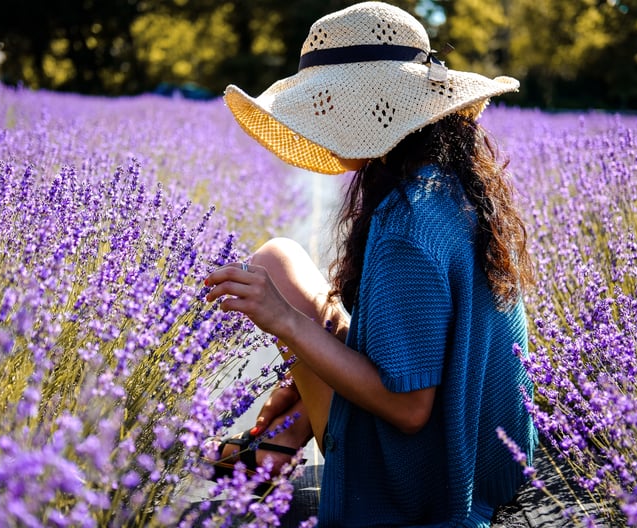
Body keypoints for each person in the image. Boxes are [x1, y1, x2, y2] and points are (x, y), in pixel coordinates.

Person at [203, 2, 538, 526]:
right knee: (279, 259)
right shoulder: (454, 185)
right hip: (485, 455)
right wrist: (300, 380)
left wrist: (284, 322)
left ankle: (273, 446)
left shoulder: (407, 224)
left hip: (423, 481)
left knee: (277, 285)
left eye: (326, 104)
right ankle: (283, 436)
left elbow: (409, 409)